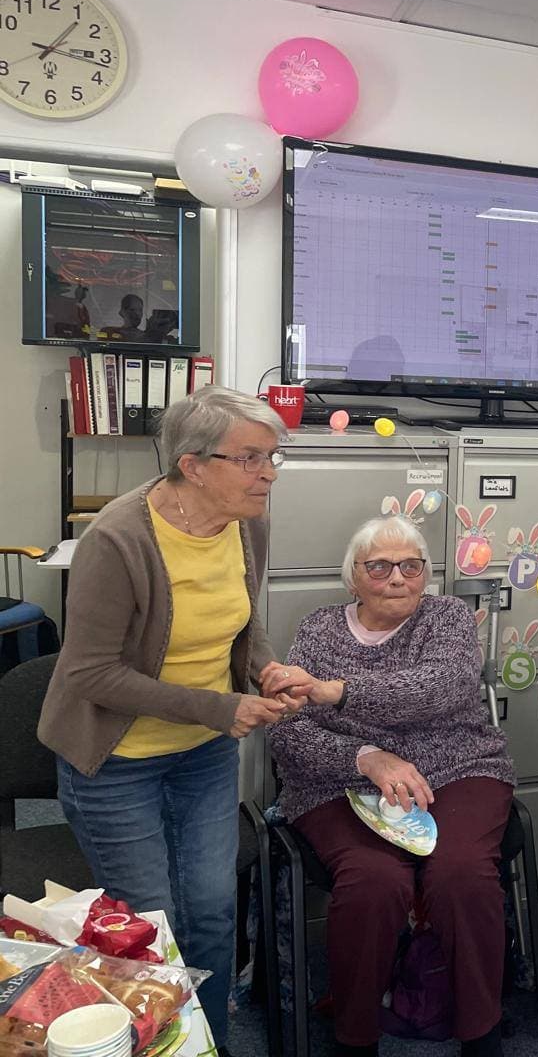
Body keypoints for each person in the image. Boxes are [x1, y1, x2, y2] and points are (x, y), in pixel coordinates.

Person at [41, 385, 295, 1049]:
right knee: (150, 926)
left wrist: (264, 669)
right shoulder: (119, 538)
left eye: (273, 457)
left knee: (211, 911)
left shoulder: (248, 518)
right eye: (250, 458)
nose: (267, 473)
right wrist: (221, 706)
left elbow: (241, 618)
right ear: (193, 464)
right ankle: (158, 1044)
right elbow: (90, 672)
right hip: (117, 763)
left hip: (204, 755)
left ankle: (205, 1040)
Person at [267, 516, 515, 1057]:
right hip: (340, 781)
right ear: (353, 577)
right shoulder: (319, 629)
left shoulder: (446, 617)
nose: (397, 578)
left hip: (457, 770)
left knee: (461, 874)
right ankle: (355, 1038)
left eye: (410, 565)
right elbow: (287, 732)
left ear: (425, 573)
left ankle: (482, 1032)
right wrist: (366, 756)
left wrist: (337, 693)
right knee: (372, 881)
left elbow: (439, 689)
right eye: (378, 566)